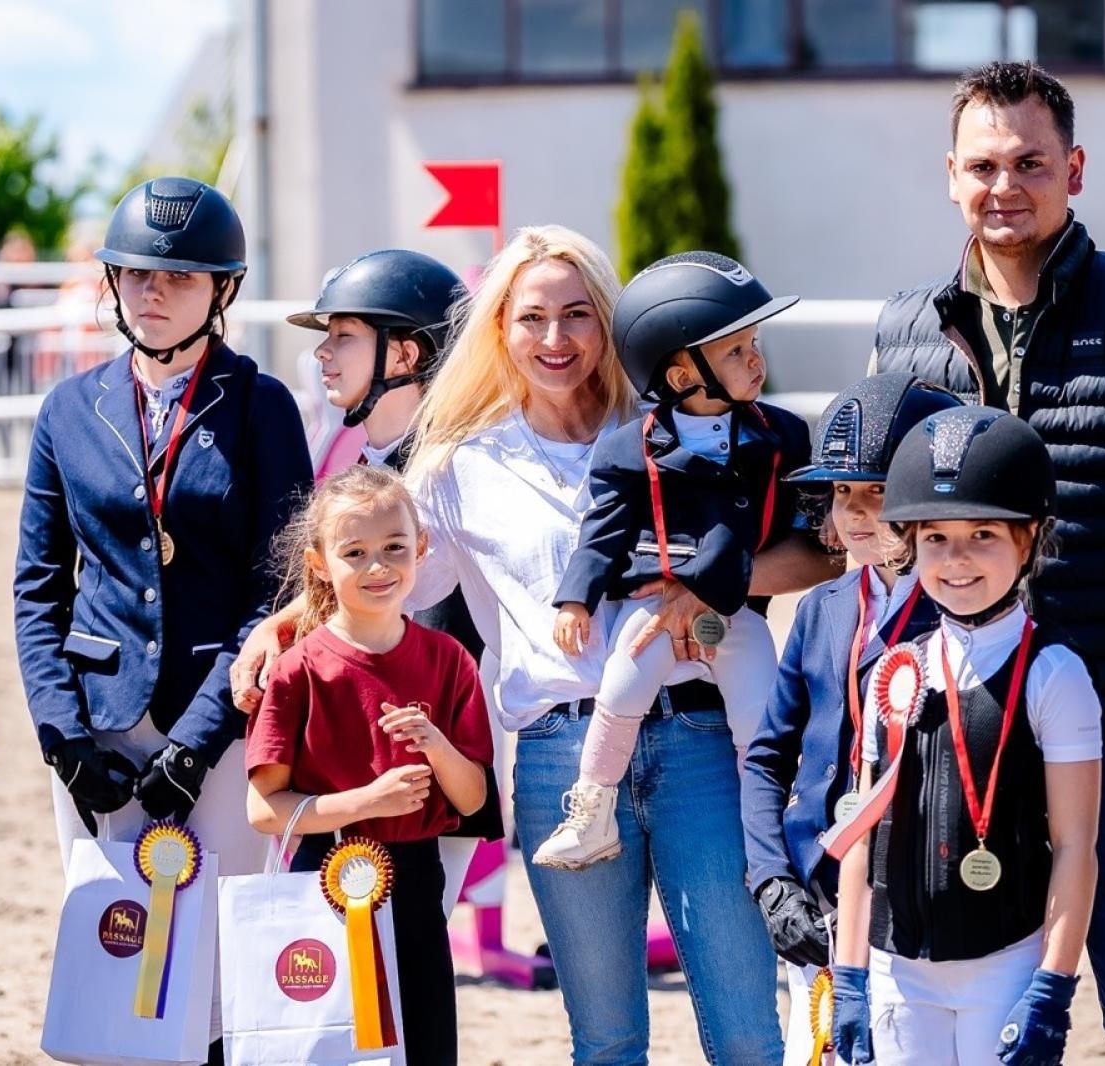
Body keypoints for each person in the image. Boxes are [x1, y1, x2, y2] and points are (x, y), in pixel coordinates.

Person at [232, 225, 836, 1064]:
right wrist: (281, 623)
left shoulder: (680, 422)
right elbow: (382, 573)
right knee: (607, 1038)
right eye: (532, 318)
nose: (556, 339)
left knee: (745, 1032)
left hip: (703, 736)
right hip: (560, 753)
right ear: (500, 332)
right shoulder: (455, 465)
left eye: (579, 314)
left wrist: (715, 585)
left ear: (610, 323)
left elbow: (817, 552)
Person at [871, 60, 1105, 1062]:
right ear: (949, 175)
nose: (1005, 184)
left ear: (1073, 168)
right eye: (982, 164)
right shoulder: (902, 335)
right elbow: (871, 534)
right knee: (964, 1011)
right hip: (952, 733)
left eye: (1030, 161)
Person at [14, 177, 313, 1064]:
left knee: (210, 974)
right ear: (111, 282)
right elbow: (38, 587)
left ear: (221, 291)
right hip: (98, 723)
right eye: (139, 273)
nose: (154, 293)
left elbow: (282, 586)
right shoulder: (68, 410)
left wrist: (196, 741)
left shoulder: (261, 408)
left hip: (217, 719)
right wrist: (62, 736)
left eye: (180, 278)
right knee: (113, 956)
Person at [832, 405, 1102, 1066]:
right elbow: (864, 837)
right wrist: (850, 977)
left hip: (1005, 967)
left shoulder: (1055, 675)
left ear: (1029, 538)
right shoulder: (895, 673)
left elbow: (1076, 847)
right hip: (898, 969)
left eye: (983, 534)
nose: (956, 560)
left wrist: (1051, 989)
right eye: (935, 539)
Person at [534, 251, 808, 870]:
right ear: (683, 377)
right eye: (737, 351)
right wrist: (575, 595)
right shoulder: (629, 449)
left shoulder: (783, 436)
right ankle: (594, 809)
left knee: (759, 708)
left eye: (754, 344)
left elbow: (810, 529)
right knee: (622, 683)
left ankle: (769, 827)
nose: (757, 360)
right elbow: (601, 531)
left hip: (736, 612)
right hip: (657, 604)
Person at [741, 372, 959, 1064]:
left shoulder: (960, 611)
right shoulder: (821, 608)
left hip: (920, 906)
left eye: (878, 492)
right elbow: (769, 757)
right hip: (817, 899)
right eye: (842, 494)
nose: (857, 513)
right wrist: (771, 878)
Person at [246, 465, 492, 1066]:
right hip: (322, 877)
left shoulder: (449, 659)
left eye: (394, 548)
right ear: (320, 564)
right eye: (355, 552)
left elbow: (473, 800)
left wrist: (435, 743)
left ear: (422, 550)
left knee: (425, 1047)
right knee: (329, 1049)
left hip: (415, 881)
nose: (378, 567)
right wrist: (367, 802)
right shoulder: (297, 669)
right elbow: (263, 810)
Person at [285, 248, 501, 914]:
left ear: (405, 356)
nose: (325, 353)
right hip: (371, 751)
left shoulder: (456, 470)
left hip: (427, 752)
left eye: (344, 336)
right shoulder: (371, 463)